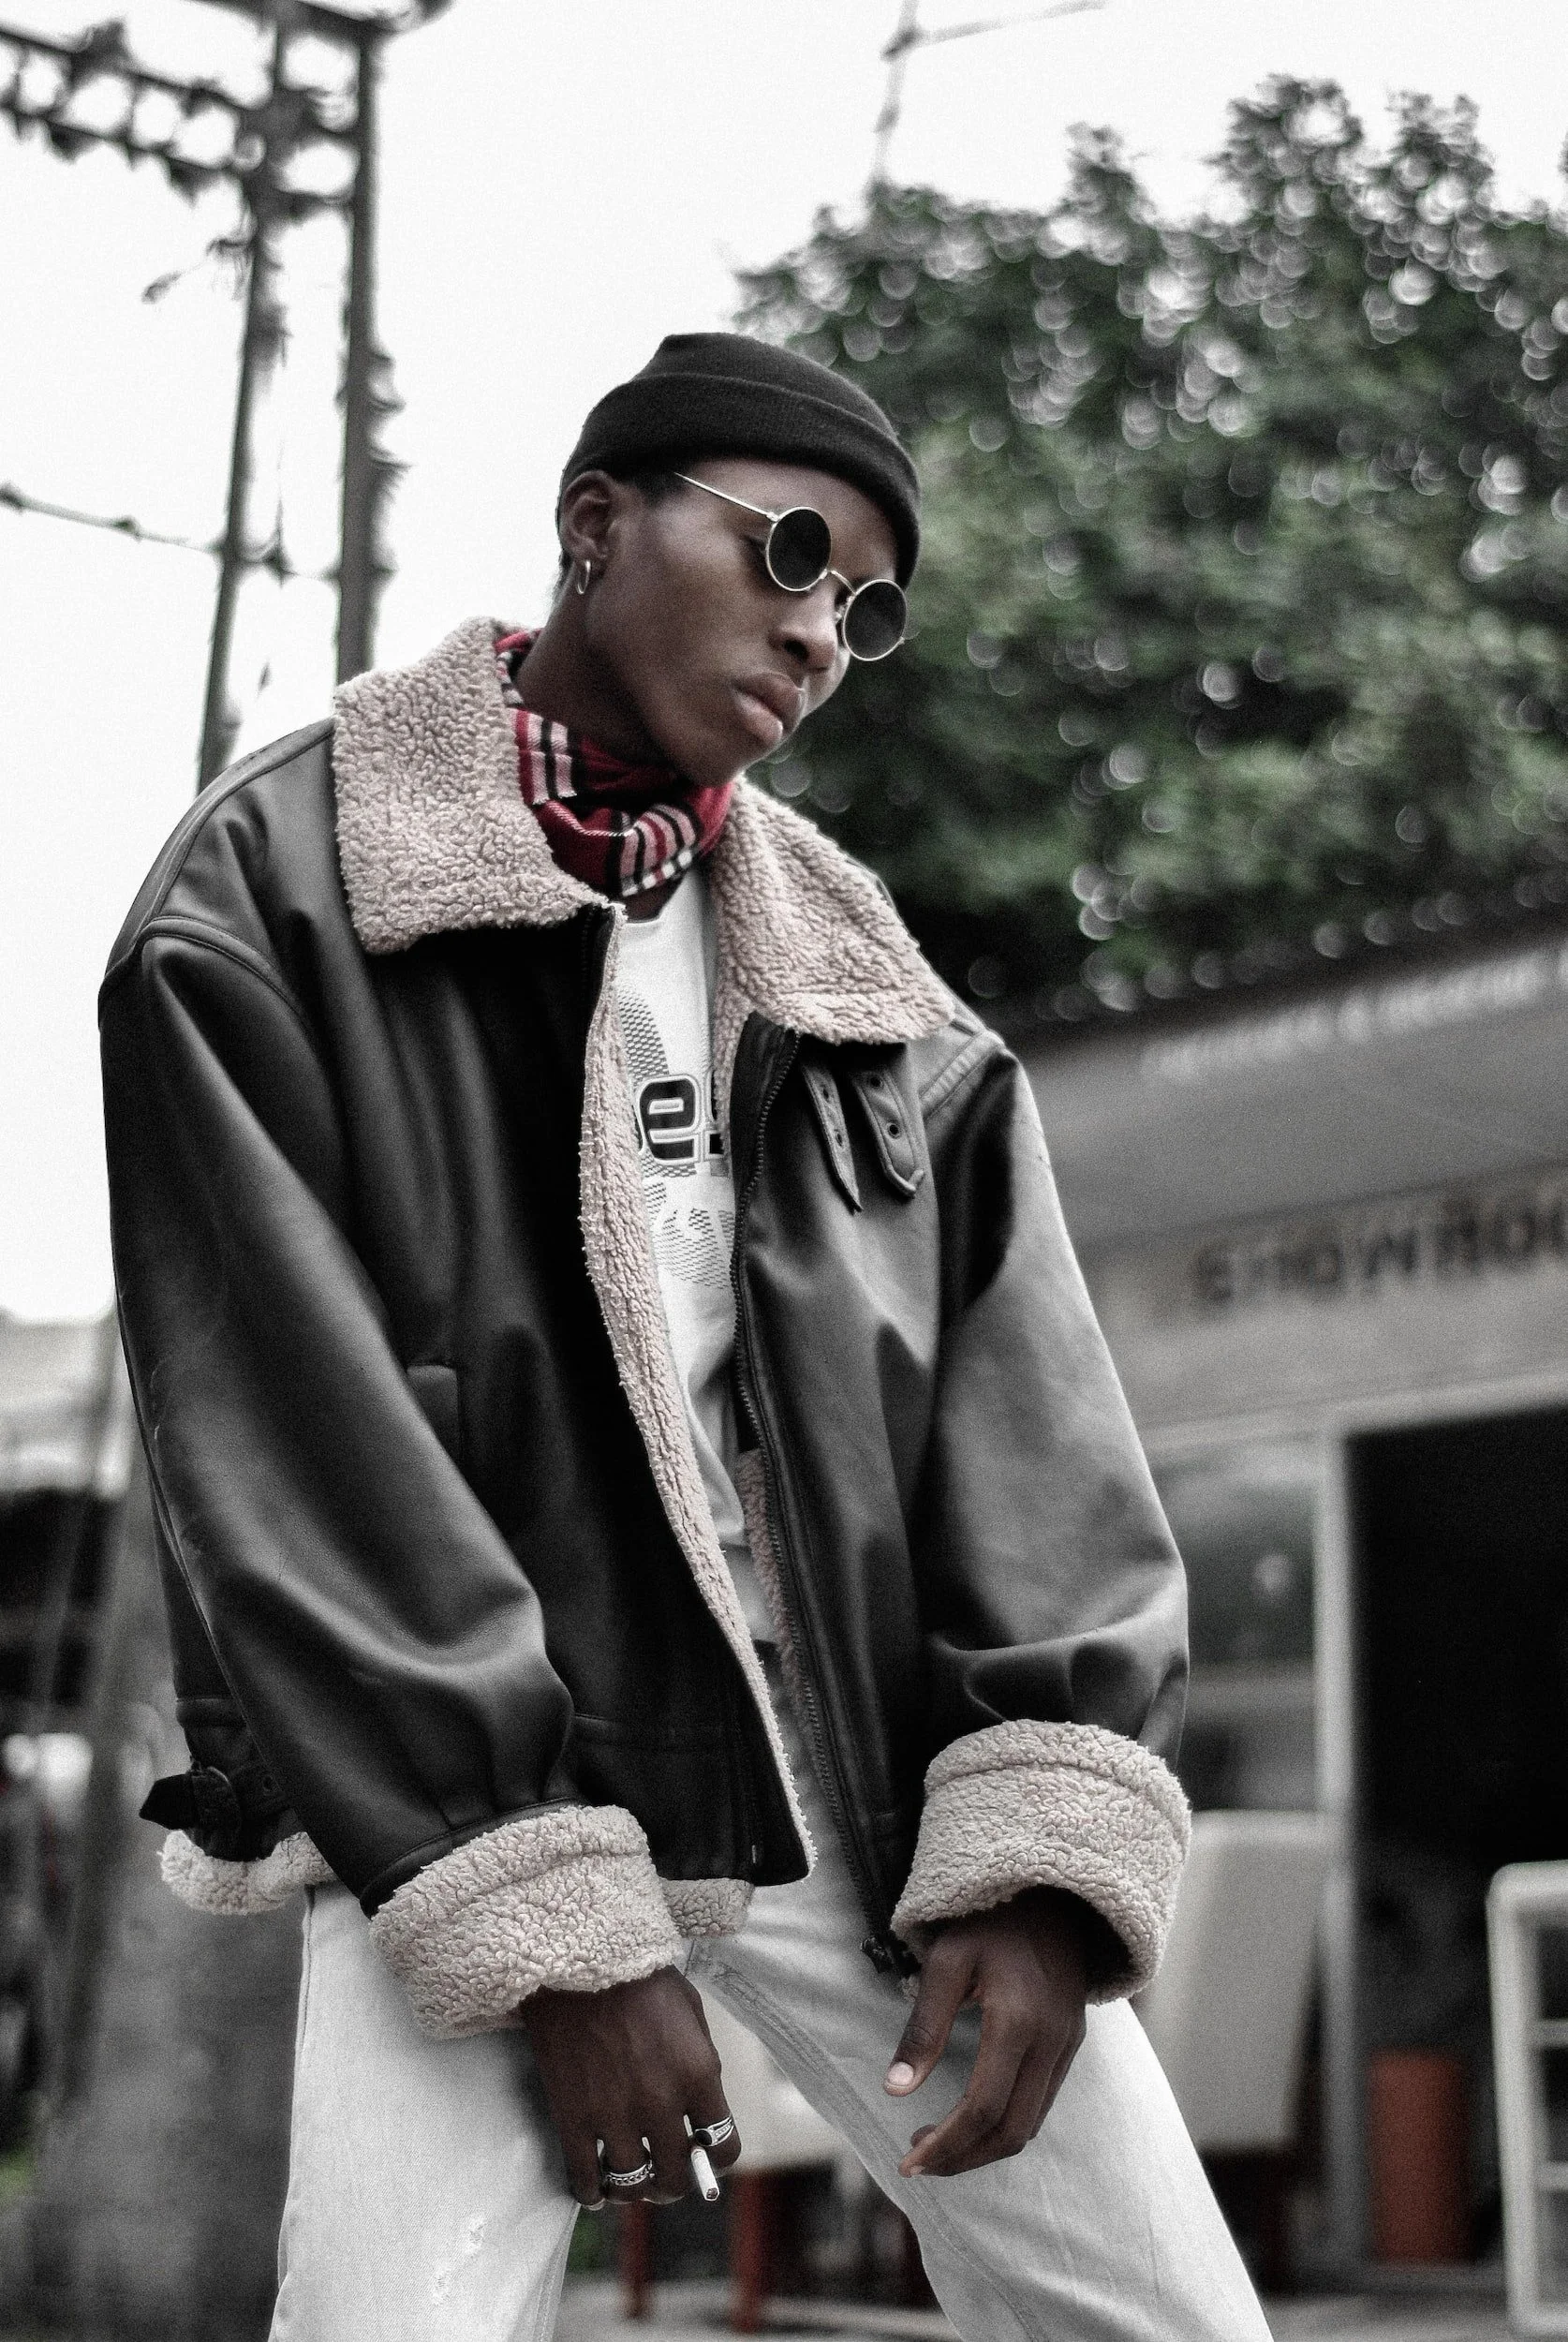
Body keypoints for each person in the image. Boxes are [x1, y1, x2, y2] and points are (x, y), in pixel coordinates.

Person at [101, 334, 1270, 2339]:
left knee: (1163, 2317)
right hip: (485, 1793)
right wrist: (540, 1910)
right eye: (790, 552)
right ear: (595, 525)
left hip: (868, 1798)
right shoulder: (273, 897)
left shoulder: (873, 989)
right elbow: (292, 1453)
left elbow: (1030, 1425)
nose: (821, 632)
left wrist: (1035, 1856)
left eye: (865, 608)